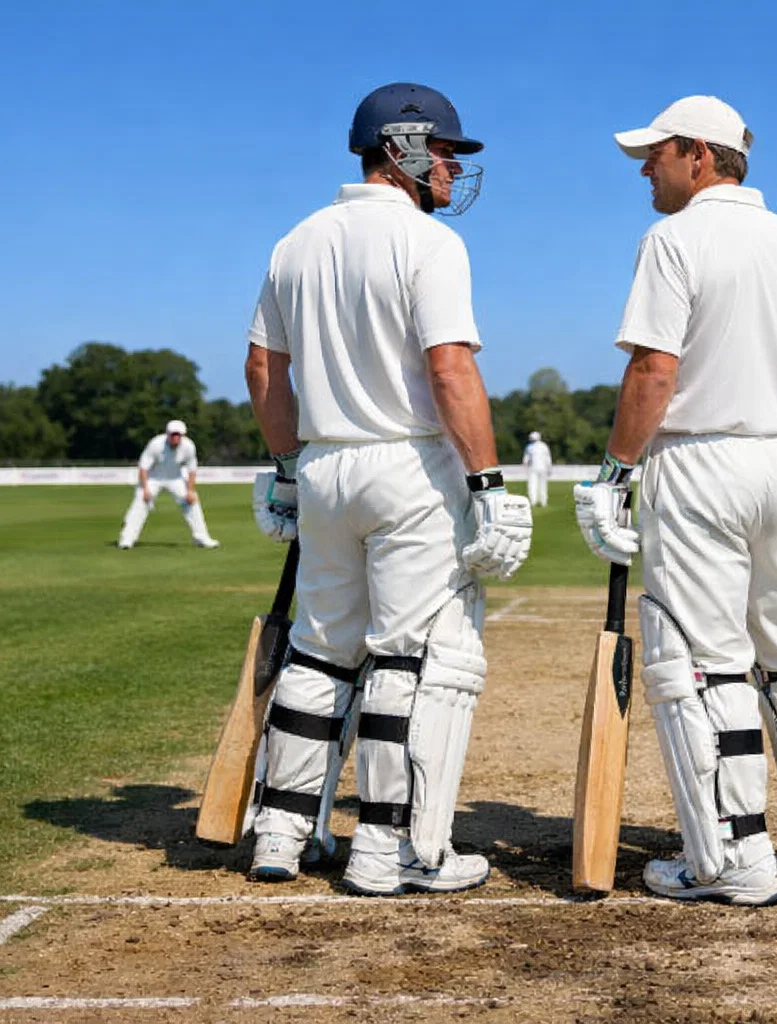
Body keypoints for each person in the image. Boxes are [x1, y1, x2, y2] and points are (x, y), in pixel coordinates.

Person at [574, 95, 777, 907]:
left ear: (699, 156)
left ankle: (733, 860)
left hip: (698, 459)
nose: (646, 168)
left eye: (657, 154)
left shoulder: (673, 240)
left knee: (705, 662)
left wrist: (613, 473)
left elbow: (653, 372)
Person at [242, 82, 533, 896]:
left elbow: (264, 368)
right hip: (409, 466)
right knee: (408, 658)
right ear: (401, 147)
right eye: (444, 151)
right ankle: (387, 849)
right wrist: (489, 484)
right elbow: (450, 367)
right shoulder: (427, 244)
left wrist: (290, 467)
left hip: (328, 464)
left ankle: (281, 829)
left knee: (321, 646)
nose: (451, 168)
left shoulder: (296, 241)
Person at [116, 420, 220, 549]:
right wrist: (145, 489)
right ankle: (127, 539)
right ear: (167, 434)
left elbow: (192, 470)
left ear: (183, 435)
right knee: (140, 502)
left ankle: (201, 538)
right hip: (153, 478)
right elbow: (143, 468)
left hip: (175, 478)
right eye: (173, 434)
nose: (176, 437)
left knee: (192, 501)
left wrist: (190, 491)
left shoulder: (189, 446)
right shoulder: (156, 444)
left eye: (178, 435)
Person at [522, 430, 552, 507]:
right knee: (541, 485)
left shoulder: (529, 446)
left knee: (533, 485)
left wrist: (525, 466)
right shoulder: (543, 446)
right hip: (541, 468)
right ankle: (542, 502)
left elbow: (525, 459)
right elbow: (548, 458)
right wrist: (549, 468)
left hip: (534, 468)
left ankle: (534, 501)